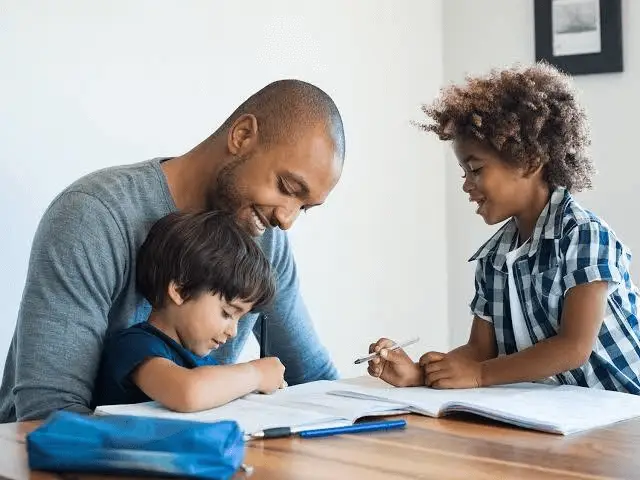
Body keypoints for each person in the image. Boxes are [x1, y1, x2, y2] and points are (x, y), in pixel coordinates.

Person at [0, 79, 345, 422]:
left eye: (304, 207)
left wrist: (393, 392)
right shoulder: (94, 216)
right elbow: (47, 415)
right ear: (241, 136)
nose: (286, 220)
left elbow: (313, 376)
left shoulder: (266, 238)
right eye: (286, 187)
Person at [368, 62, 640, 393]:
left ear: (528, 161)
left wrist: (480, 376)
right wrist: (421, 375)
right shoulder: (493, 259)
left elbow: (573, 348)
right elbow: (480, 353)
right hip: (562, 416)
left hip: (625, 411)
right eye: (463, 173)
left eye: (476, 169)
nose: (467, 185)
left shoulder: (583, 236)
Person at [93, 211, 284, 411]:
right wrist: (255, 374)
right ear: (180, 291)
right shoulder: (134, 345)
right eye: (227, 313)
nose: (233, 332)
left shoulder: (201, 364)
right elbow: (188, 393)